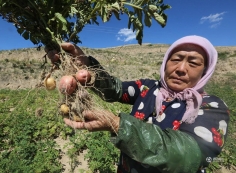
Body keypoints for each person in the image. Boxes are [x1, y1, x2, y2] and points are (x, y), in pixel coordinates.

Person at [47, 35, 230, 173]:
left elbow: (189, 155)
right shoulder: (147, 88)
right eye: (175, 59)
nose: (181, 69)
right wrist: (86, 67)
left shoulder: (212, 107)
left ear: (205, 71)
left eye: (193, 62)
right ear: (165, 63)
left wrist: (119, 125)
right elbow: (115, 89)